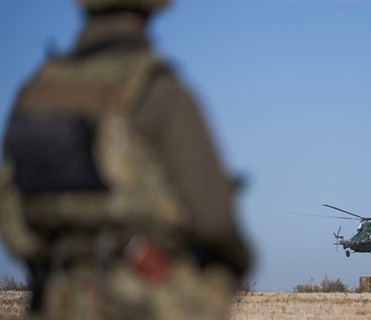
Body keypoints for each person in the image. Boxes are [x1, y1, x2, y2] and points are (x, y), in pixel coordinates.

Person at [0, 0, 252, 319]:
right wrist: (240, 261)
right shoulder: (160, 92)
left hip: (54, 300)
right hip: (142, 300)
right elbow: (215, 221)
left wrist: (59, 258)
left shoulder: (33, 95)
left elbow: (12, 216)